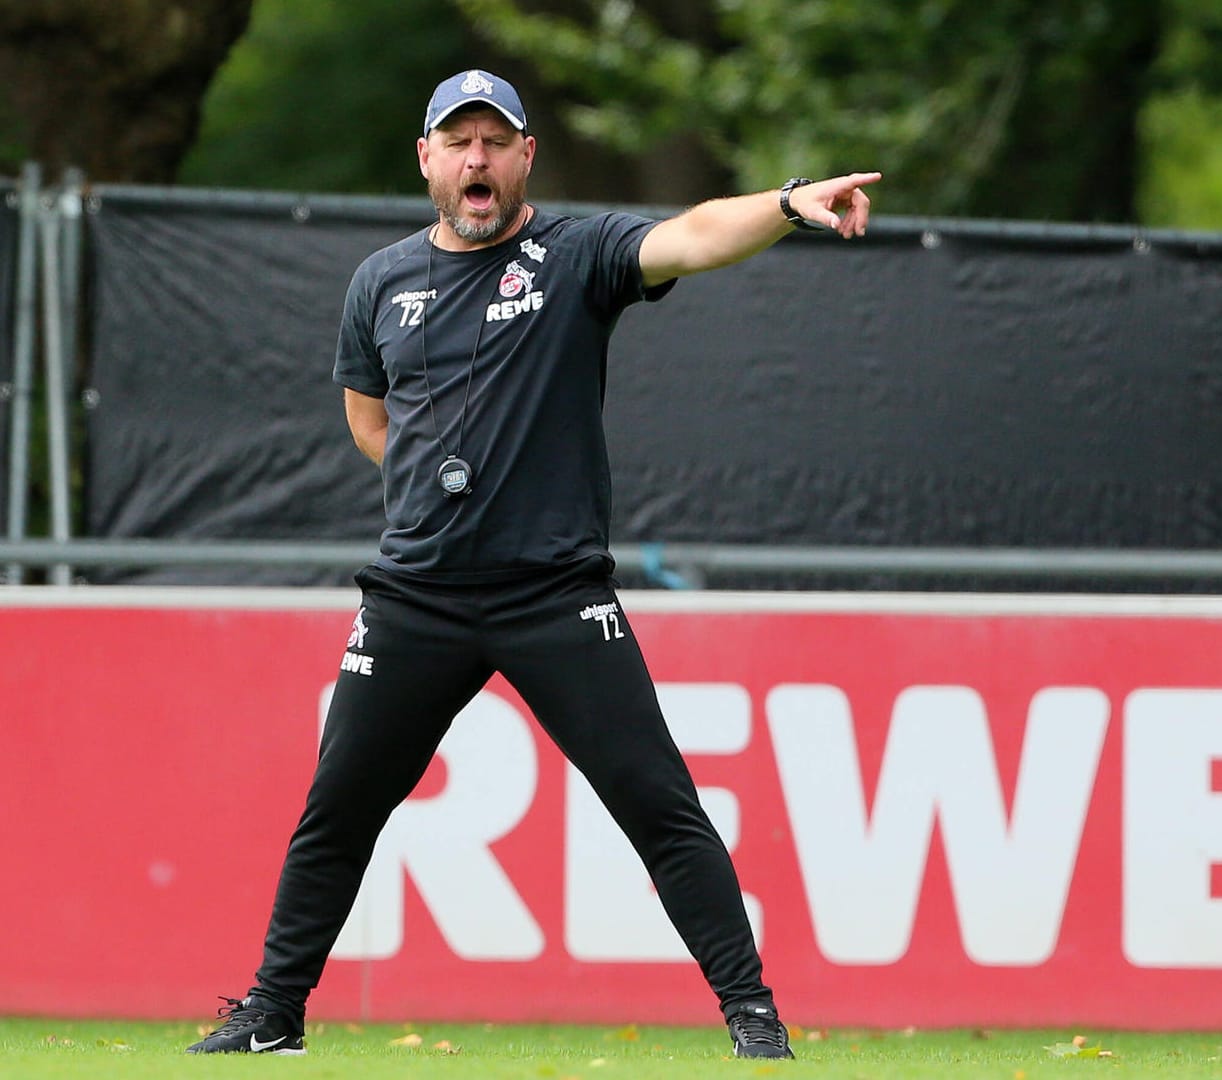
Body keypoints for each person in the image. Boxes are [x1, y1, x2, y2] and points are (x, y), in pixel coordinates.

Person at [186, 68, 880, 1059]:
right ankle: (271, 1012)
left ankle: (752, 1010)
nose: (477, 159)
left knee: (659, 804)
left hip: (553, 594)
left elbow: (690, 232)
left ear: (524, 158)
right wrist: (440, 478)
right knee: (335, 811)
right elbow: (369, 419)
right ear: (427, 158)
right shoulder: (379, 283)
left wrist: (781, 205)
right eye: (457, 141)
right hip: (416, 597)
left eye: (494, 141)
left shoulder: (576, 255)